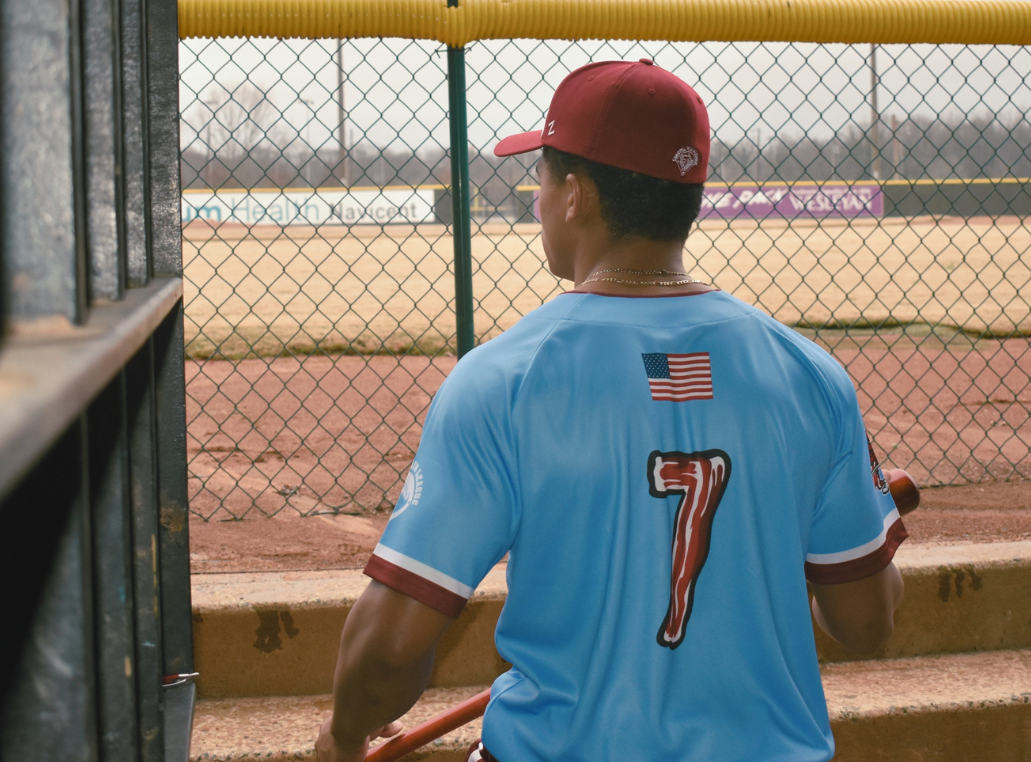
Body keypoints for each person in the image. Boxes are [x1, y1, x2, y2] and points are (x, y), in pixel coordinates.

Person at [315, 59, 906, 762]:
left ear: (575, 195)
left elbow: (389, 649)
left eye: (541, 178)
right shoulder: (811, 374)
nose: (536, 200)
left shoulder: (504, 379)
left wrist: (343, 734)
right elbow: (866, 623)